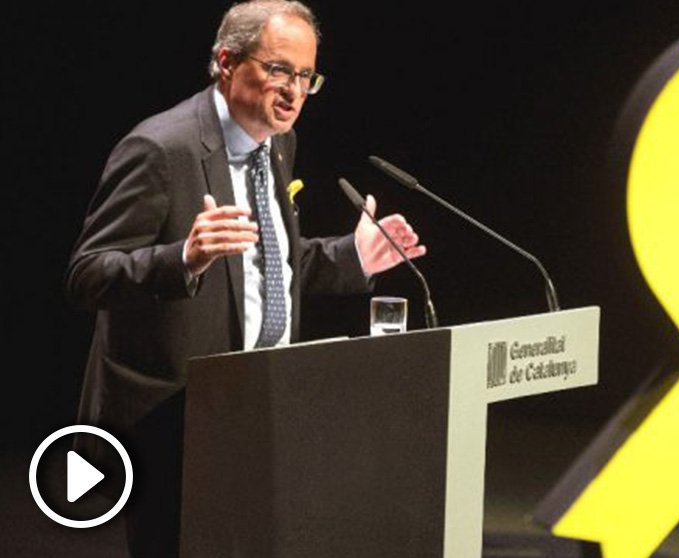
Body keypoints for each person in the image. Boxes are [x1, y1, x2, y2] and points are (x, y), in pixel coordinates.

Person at [64, 2, 425, 556]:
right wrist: (181, 258)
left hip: (260, 400)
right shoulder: (161, 149)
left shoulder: (276, 142)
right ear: (226, 62)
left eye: (306, 76)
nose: (294, 91)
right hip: (173, 413)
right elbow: (88, 275)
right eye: (279, 70)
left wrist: (353, 257)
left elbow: (264, 266)